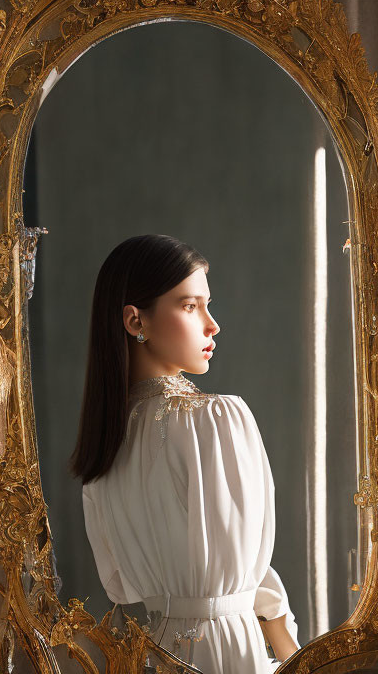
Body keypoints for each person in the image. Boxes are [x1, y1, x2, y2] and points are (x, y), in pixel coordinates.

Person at [70, 234, 299, 674]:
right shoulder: (216, 419)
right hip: (225, 648)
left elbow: (120, 585)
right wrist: (290, 650)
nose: (212, 325)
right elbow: (245, 568)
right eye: (191, 306)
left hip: (152, 653)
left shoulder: (105, 442)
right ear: (136, 321)